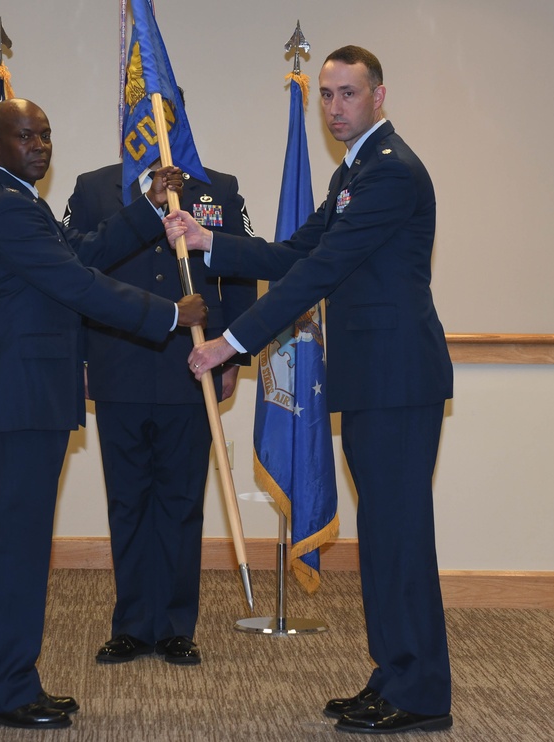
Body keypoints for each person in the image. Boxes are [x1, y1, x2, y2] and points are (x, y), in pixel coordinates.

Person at [164, 46, 454, 735]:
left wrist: (232, 343)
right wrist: (212, 241)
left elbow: (318, 273)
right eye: (326, 95)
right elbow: (296, 253)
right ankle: (394, 674)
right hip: (373, 382)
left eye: (348, 94)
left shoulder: (391, 173)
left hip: (399, 382)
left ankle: (421, 694)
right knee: (383, 536)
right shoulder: (352, 175)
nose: (334, 108)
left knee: (401, 536)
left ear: (379, 97)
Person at [0, 98, 206, 731]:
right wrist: (171, 316)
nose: (39, 146)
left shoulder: (17, 198)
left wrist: (149, 207)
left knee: (22, 545)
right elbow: (78, 284)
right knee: (17, 548)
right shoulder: (6, 205)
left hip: (25, 394)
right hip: (18, 397)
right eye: (24, 136)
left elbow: (84, 251)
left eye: (45, 135)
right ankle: (2, 691)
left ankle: (10, 680)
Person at [62, 156, 256, 666]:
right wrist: (79, 353)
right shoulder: (94, 187)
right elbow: (73, 273)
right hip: (116, 360)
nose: (155, 119)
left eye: (167, 108)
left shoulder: (218, 186)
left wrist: (235, 352)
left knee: (181, 499)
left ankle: (174, 625)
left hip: (190, 363)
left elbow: (239, 271)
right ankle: (130, 624)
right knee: (127, 500)